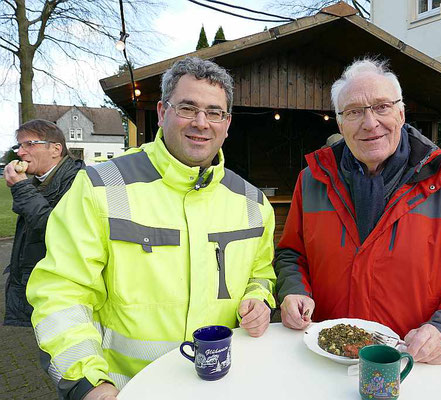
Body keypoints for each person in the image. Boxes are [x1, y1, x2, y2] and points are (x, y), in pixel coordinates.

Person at [26, 57, 277, 400]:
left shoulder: (253, 202)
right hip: (128, 390)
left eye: (214, 112)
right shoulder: (99, 187)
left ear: (227, 123)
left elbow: (260, 273)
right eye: (188, 108)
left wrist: (258, 298)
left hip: (223, 387)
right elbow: (61, 294)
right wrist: (88, 383)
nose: (201, 123)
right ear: (162, 112)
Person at [274, 58, 441, 366]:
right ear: (341, 123)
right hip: (326, 355)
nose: (370, 123)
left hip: (411, 359)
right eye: (354, 112)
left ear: (401, 112)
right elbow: (292, 254)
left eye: (382, 107)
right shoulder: (312, 179)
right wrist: (293, 291)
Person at [3, 119, 84, 327]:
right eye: (19, 146)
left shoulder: (78, 182)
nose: (20, 152)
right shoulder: (38, 182)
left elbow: (57, 231)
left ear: (56, 149)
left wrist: (22, 188)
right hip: (46, 291)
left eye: (29, 144)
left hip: (66, 295)